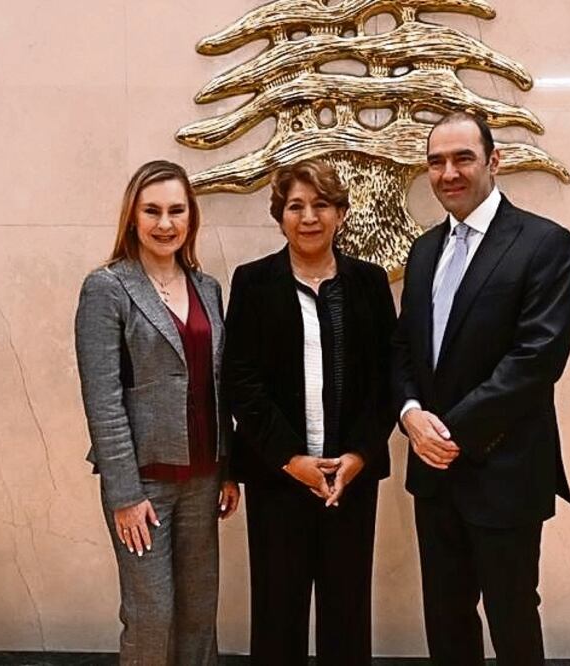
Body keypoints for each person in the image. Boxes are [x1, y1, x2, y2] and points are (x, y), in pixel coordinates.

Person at [391, 112, 570, 665]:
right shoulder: (424, 250)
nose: (448, 172)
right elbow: (404, 347)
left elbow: (536, 359)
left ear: (494, 161)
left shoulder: (545, 244)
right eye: (436, 161)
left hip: (505, 471)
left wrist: (448, 430)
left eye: (462, 158)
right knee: (446, 622)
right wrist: (408, 414)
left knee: (513, 618)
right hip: (434, 475)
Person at [223, 158, 396, 666]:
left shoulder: (367, 283)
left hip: (351, 478)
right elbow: (242, 382)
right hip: (279, 478)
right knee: (278, 618)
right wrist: (290, 459)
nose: (309, 216)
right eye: (295, 206)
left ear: (341, 213)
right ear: (280, 216)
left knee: (347, 616)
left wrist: (359, 455)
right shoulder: (253, 282)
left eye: (321, 204)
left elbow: (386, 380)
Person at [74, 159, 239, 666]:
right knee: (151, 613)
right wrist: (124, 493)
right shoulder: (107, 287)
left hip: (203, 477)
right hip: (142, 484)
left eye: (176, 211)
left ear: (191, 217)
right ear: (132, 217)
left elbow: (218, 386)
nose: (165, 223)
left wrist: (229, 470)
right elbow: (102, 398)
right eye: (152, 211)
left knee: (198, 612)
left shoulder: (207, 287)